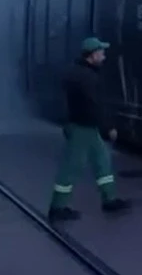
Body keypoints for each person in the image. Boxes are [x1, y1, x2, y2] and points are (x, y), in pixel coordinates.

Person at [48, 37, 131, 223]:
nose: (104, 56)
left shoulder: (76, 72)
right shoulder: (87, 77)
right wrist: (108, 127)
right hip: (81, 128)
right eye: (101, 53)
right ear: (92, 55)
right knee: (71, 167)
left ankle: (109, 199)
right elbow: (95, 105)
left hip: (85, 126)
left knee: (102, 161)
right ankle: (57, 207)